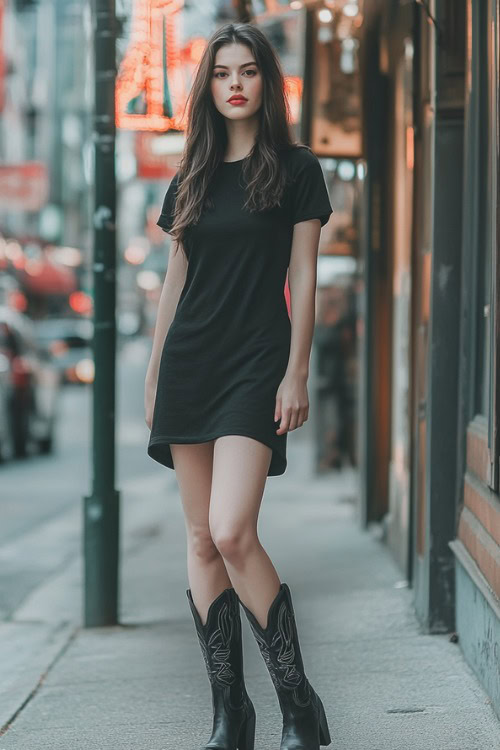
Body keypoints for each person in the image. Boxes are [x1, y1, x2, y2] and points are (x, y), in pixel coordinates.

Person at [144, 21, 333, 750]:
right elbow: (174, 282)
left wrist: (298, 370)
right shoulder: (190, 174)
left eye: (247, 71)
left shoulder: (296, 169)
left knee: (232, 531)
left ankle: (299, 704)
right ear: (209, 85)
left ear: (266, 81)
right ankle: (231, 714)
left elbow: (306, 277)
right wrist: (158, 372)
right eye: (222, 72)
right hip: (192, 361)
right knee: (198, 538)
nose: (234, 84)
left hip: (257, 360)